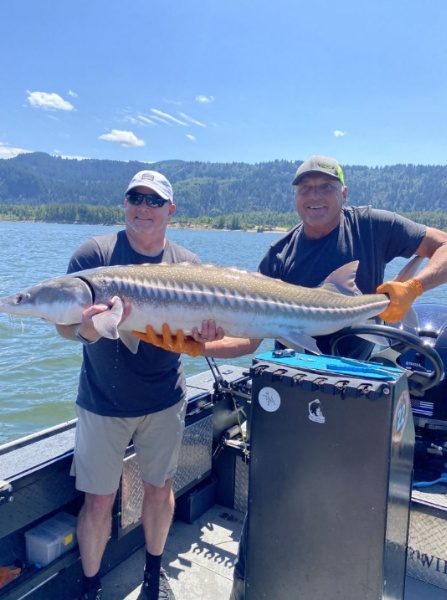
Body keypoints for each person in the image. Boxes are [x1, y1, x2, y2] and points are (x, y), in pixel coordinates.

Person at [141, 155, 447, 600]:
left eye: (326, 187)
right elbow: (249, 342)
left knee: (347, 503)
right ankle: (248, 588)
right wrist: (199, 346)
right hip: (290, 393)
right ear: (295, 198)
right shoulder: (278, 255)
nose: (315, 196)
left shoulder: (373, 226)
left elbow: (442, 245)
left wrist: (413, 288)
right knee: (270, 498)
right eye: (305, 188)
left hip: (358, 394)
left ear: (345, 193)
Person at [56, 170, 221, 600]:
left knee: (159, 488)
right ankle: (90, 587)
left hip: (164, 399)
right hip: (101, 402)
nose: (143, 208)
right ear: (125, 204)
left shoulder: (187, 266)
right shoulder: (95, 254)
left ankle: (153, 574)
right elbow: (64, 328)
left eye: (153, 201)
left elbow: (200, 338)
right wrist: (87, 332)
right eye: (135, 198)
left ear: (171, 210)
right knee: (96, 501)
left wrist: (201, 338)